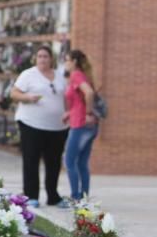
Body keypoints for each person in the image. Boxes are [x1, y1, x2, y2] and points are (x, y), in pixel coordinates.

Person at [10, 46, 68, 207]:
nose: (42, 59)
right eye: (40, 56)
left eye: (46, 56)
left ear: (51, 59)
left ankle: (53, 196)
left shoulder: (60, 76)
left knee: (54, 162)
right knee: (31, 160)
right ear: (35, 59)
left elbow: (66, 98)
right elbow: (14, 93)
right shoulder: (28, 75)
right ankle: (31, 195)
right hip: (31, 124)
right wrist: (27, 97)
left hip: (57, 127)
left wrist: (68, 112)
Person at [62, 50, 98, 203]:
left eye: (67, 60)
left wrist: (88, 113)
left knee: (69, 161)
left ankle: (76, 197)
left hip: (80, 124)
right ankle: (83, 197)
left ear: (74, 62)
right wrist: (69, 113)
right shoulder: (83, 75)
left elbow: (89, 93)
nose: (65, 63)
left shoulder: (76, 75)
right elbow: (80, 100)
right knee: (82, 162)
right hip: (88, 125)